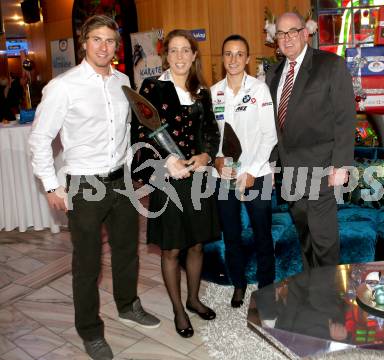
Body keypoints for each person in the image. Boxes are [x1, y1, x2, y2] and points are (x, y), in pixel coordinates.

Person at [29, 15, 160, 360]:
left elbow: (125, 133)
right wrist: (51, 185)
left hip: (122, 182)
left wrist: (133, 174)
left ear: (117, 47)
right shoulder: (64, 86)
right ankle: (89, 330)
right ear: (84, 42)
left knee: (127, 251)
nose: (104, 47)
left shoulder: (122, 81)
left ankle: (128, 305)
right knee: (87, 263)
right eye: (97, 40)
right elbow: (40, 139)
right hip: (84, 185)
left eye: (110, 41)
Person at [132, 29, 220, 338]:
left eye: (186, 50)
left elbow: (211, 131)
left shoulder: (202, 92)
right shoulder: (152, 88)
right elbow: (140, 134)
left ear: (195, 55)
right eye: (174, 50)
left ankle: (194, 299)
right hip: (167, 180)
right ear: (166, 55)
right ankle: (178, 309)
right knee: (171, 249)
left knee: (196, 244)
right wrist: (166, 162)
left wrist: (206, 155)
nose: (180, 56)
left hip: (196, 179)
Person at [265, 12, 355, 271]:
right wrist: (271, 165)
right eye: (281, 33)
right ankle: (314, 287)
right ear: (276, 40)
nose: (287, 37)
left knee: (324, 241)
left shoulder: (330, 65)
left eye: (293, 31)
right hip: (290, 172)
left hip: (323, 169)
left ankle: (329, 303)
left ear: (306, 33)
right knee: (304, 236)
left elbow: (345, 117)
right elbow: (272, 126)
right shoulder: (273, 74)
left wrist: (341, 165)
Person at [211, 35, 277, 307]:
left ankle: (266, 287)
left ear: (248, 59)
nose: (234, 59)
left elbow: (269, 135)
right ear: (222, 58)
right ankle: (238, 284)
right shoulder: (213, 92)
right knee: (232, 235)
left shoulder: (259, 90)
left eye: (240, 54)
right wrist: (216, 160)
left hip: (257, 175)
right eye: (228, 54)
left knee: (262, 235)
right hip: (224, 177)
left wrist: (250, 171)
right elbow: (211, 136)